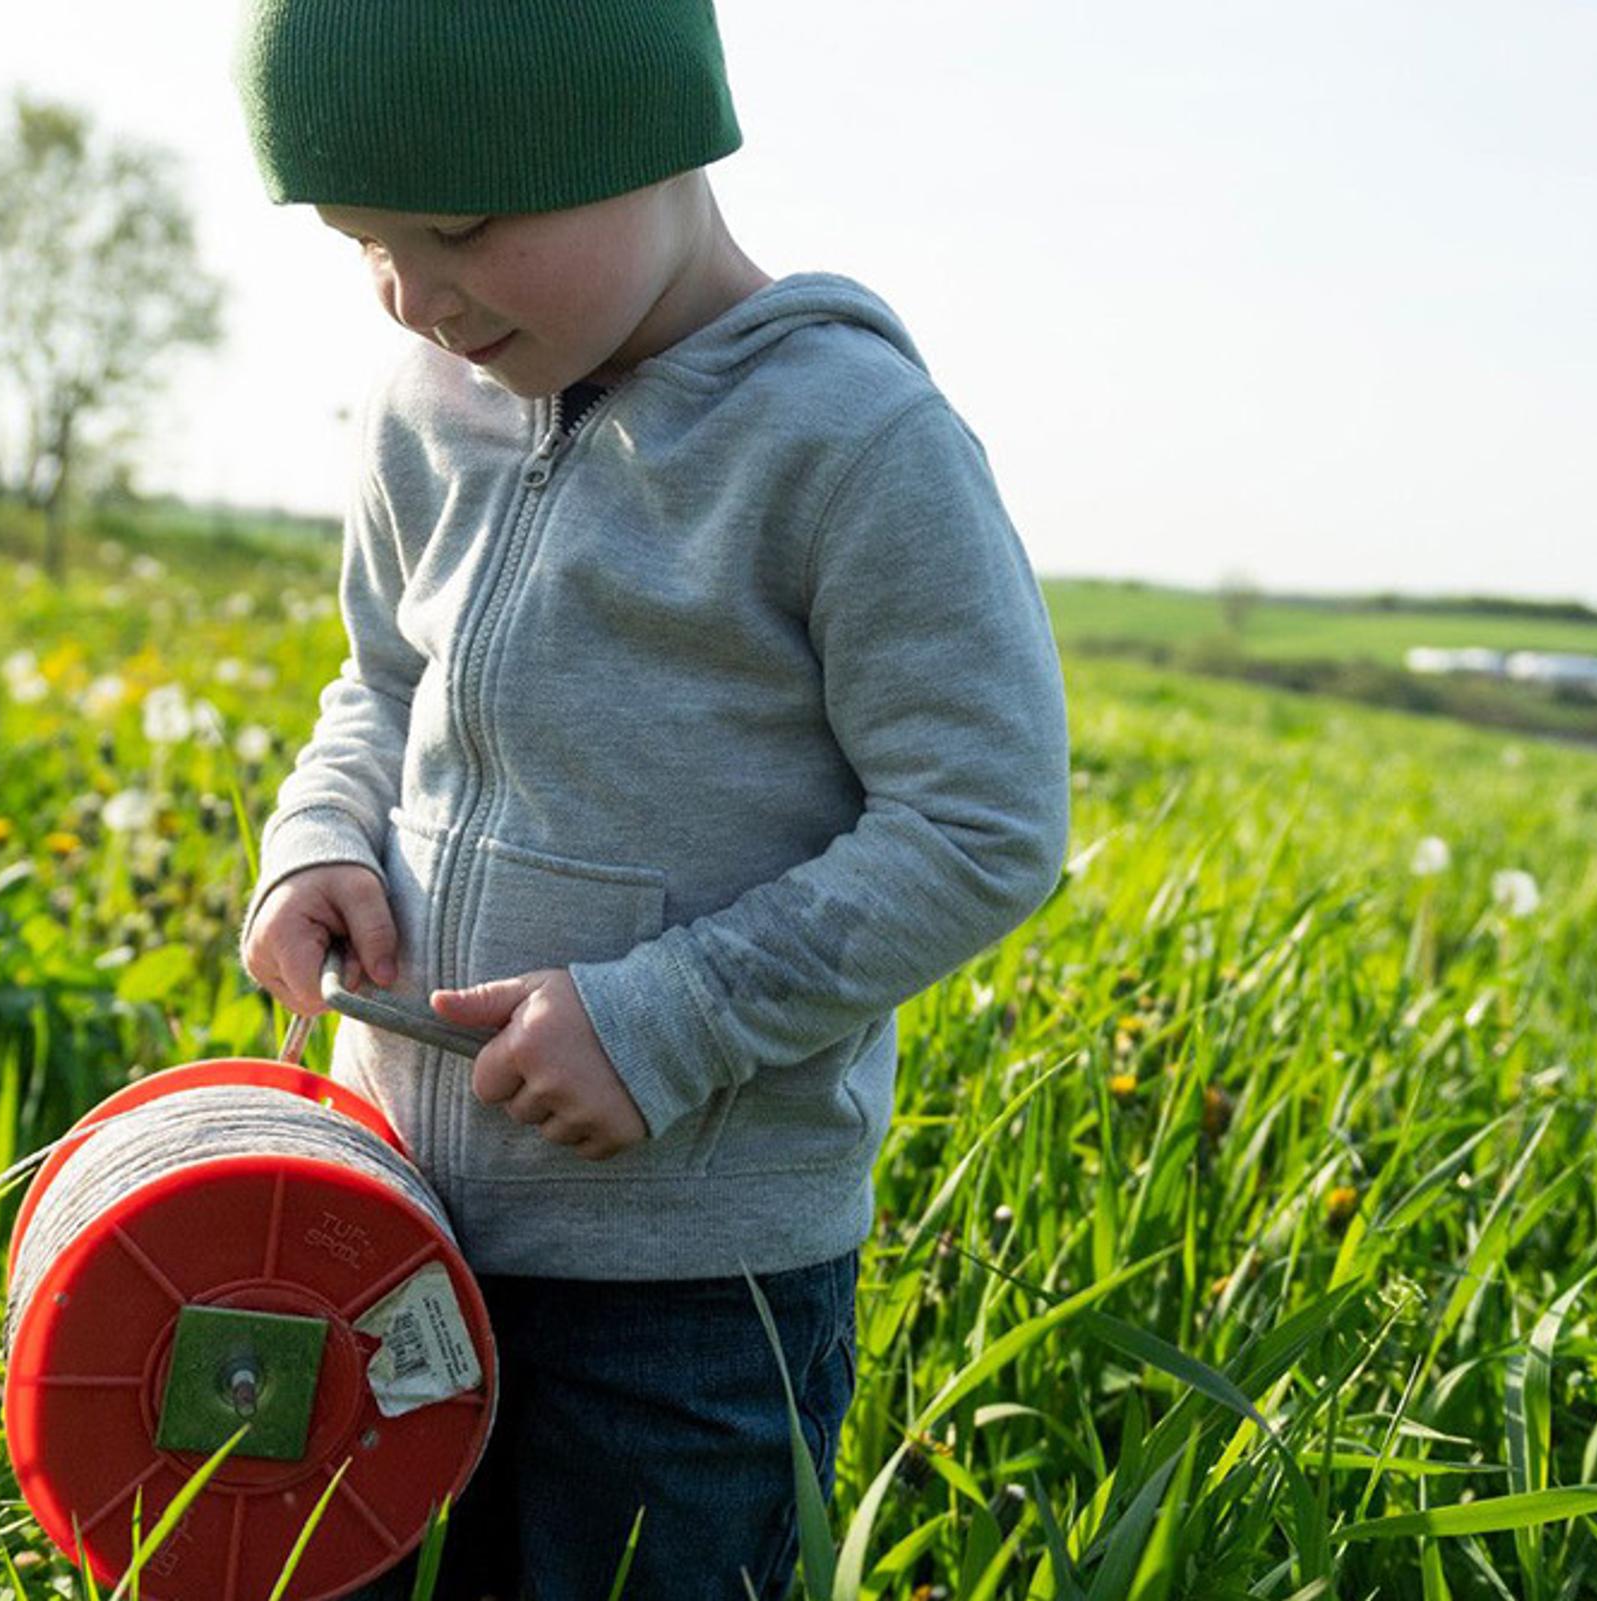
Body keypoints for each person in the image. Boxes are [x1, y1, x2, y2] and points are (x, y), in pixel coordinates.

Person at [228, 2, 1070, 1595]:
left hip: (688, 1291)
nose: (414, 292)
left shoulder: (854, 443)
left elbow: (983, 821)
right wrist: (321, 836)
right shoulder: (422, 403)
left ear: (640, 133)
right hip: (395, 1217)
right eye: (362, 243)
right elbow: (381, 684)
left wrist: (666, 1018)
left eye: (460, 225)